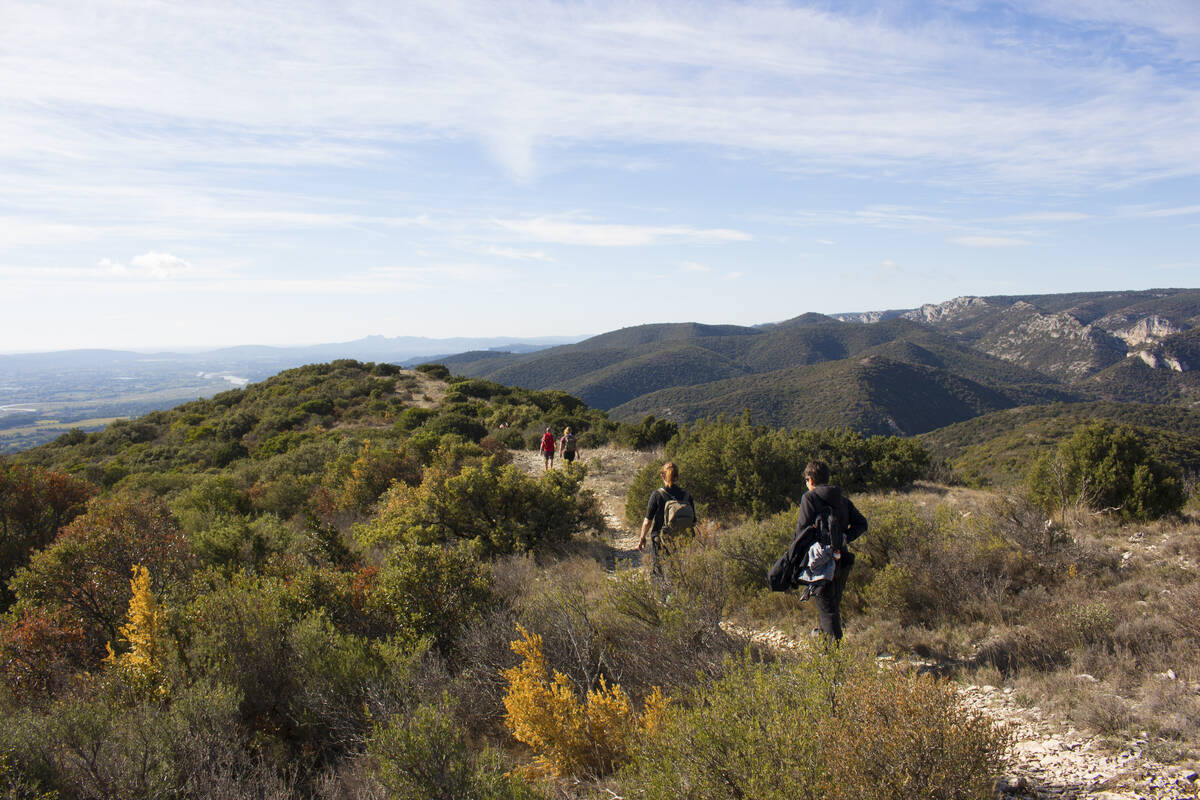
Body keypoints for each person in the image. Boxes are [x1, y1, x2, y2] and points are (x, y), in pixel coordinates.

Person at [794, 460, 867, 640]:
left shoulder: (809, 498)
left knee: (828, 611)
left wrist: (794, 561)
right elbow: (862, 523)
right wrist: (845, 537)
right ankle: (826, 647)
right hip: (841, 559)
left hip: (821, 563)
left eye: (806, 480)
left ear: (810, 479)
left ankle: (834, 659)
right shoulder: (842, 500)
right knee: (831, 606)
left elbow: (801, 532)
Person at [637, 461, 695, 582]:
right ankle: (677, 597)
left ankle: (663, 598)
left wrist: (642, 537)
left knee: (658, 571)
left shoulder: (657, 495)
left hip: (660, 540)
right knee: (678, 571)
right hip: (681, 540)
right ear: (677, 477)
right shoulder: (687, 496)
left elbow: (648, 521)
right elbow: (693, 520)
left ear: (662, 475)